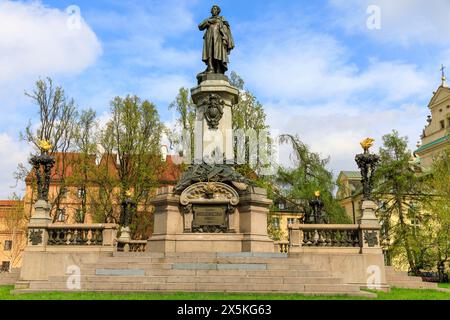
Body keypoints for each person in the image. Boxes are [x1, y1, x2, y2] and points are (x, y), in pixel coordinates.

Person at [199, 5, 234, 74]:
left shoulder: (221, 19)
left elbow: (226, 29)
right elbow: (200, 26)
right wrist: (208, 22)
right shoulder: (208, 19)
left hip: (218, 38)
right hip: (209, 37)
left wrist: (225, 38)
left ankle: (219, 69)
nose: (214, 10)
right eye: (213, 9)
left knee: (218, 53)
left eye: (215, 9)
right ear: (211, 11)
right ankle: (210, 68)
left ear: (218, 11)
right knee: (209, 52)